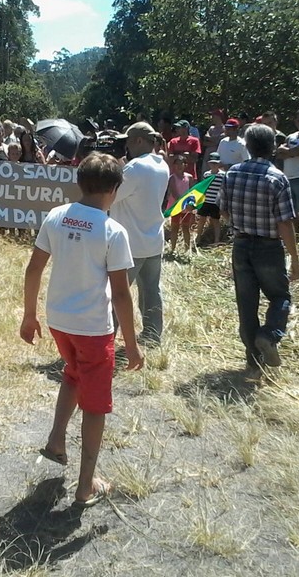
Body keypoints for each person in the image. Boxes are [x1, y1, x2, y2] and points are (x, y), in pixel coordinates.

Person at [21, 152, 144, 507]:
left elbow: (33, 269)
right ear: (116, 190)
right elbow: (121, 293)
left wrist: (30, 315)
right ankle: (86, 485)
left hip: (59, 321)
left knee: (73, 374)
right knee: (96, 404)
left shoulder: (56, 216)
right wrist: (132, 346)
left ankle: (56, 441)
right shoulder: (112, 231)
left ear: (79, 182)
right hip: (93, 328)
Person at [218, 123, 299, 370]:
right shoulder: (278, 178)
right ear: (273, 147)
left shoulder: (231, 173)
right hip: (268, 248)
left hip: (241, 246)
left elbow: (223, 212)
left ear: (248, 146)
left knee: (246, 303)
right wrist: (295, 259)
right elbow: (285, 223)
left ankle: (253, 361)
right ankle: (269, 335)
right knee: (280, 297)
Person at [112, 122, 170, 346]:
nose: (125, 146)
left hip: (130, 243)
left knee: (117, 293)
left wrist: (117, 166)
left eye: (127, 141)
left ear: (137, 140)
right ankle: (152, 335)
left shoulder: (135, 169)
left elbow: (112, 195)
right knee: (151, 291)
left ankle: (108, 337)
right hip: (153, 239)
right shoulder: (161, 165)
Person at [166, 155, 194, 253]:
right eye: (176, 164)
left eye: (181, 163)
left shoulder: (189, 177)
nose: (179, 166)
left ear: (185, 165)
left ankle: (187, 249)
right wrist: (183, 204)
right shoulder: (172, 178)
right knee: (174, 227)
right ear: (173, 165)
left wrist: (190, 203)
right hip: (176, 206)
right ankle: (172, 249)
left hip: (187, 207)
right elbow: (174, 193)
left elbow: (192, 191)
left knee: (186, 227)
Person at [196, 152, 225, 246]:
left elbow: (224, 189)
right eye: (212, 163)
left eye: (215, 163)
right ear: (209, 163)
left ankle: (216, 240)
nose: (214, 165)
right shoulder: (206, 174)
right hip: (206, 201)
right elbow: (203, 188)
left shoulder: (223, 175)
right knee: (202, 220)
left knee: (215, 221)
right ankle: (198, 238)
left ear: (219, 163)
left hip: (216, 202)